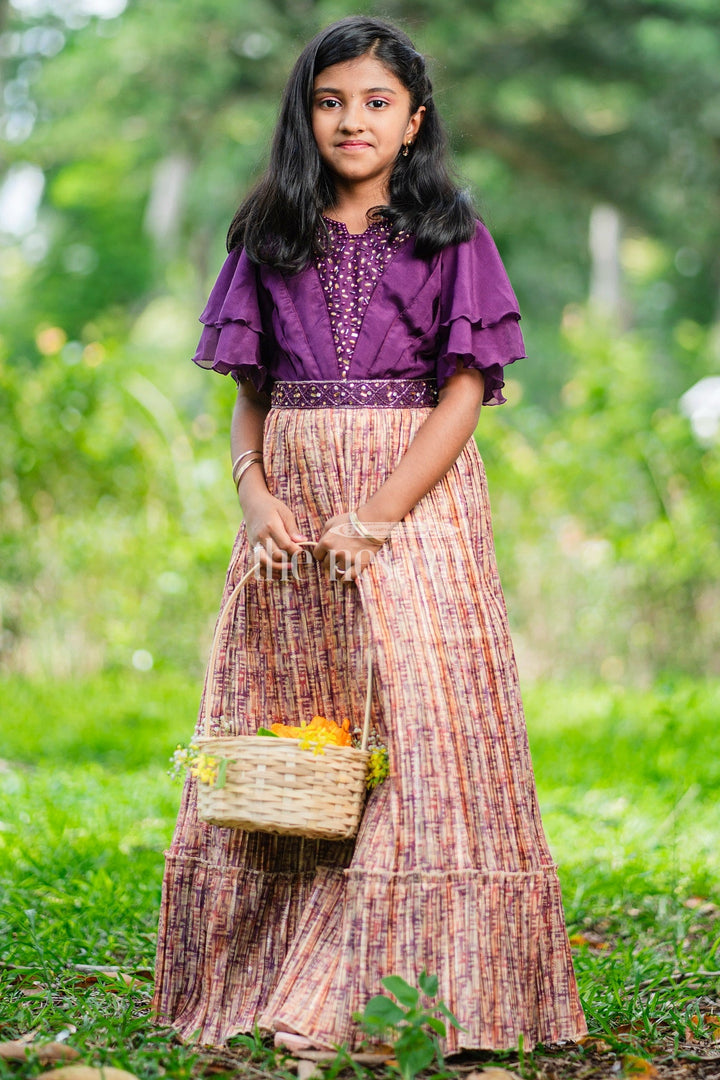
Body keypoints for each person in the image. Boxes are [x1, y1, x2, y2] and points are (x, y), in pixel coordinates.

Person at [153, 15, 587, 1054]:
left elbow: (468, 389)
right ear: (306, 114)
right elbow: (248, 392)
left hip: (414, 498)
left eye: (377, 101)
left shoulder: (450, 233)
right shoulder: (270, 231)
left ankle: (426, 992)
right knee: (308, 727)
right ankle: (287, 962)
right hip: (297, 510)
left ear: (414, 121)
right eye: (332, 99)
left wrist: (381, 515)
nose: (353, 119)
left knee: (426, 725)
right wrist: (255, 495)